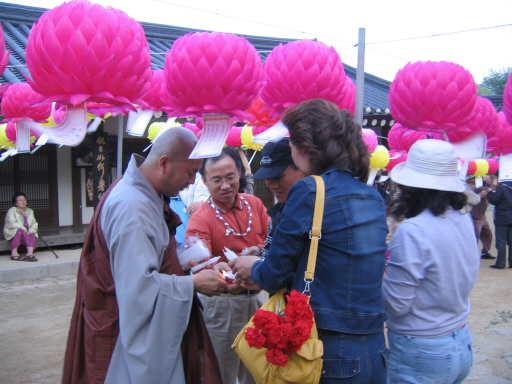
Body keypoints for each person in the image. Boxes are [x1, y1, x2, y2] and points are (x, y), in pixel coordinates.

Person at [230, 98, 389, 382]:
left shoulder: (310, 189)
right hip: (374, 346)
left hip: (327, 347)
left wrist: (252, 265)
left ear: (304, 145)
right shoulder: (372, 196)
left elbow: (272, 274)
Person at [62, 127, 226, 384]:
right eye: (191, 172)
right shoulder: (133, 207)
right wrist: (192, 283)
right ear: (164, 163)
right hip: (121, 335)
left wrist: (183, 266)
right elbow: (137, 288)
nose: (194, 181)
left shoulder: (143, 192)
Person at [382, 139, 480, 383]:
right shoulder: (461, 216)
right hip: (459, 338)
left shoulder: (413, 230)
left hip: (421, 349)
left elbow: (396, 304)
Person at [185, 147, 270, 384]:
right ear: (204, 181)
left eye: (230, 177)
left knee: (258, 370)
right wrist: (217, 271)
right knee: (220, 370)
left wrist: (261, 251)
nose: (225, 185)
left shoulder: (255, 204)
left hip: (258, 299)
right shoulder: (201, 218)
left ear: (240, 173)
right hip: (223, 305)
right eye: (217, 180)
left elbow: (273, 240)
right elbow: (199, 264)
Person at [252, 137, 305, 259]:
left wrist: (255, 268)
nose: (273, 186)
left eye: (278, 177)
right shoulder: (279, 211)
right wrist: (259, 251)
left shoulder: (313, 214)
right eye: (268, 178)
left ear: (301, 168)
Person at [3, 192, 38, 262]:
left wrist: (30, 230)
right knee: (20, 230)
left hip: (26, 233)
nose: (23, 201)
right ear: (16, 203)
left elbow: (34, 223)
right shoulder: (12, 210)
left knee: (32, 233)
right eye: (20, 200)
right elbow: (12, 223)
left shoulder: (30, 211)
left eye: (24, 200)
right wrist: (23, 229)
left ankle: (30, 254)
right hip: (13, 232)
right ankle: (14, 253)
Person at [487, 179, 512, 269]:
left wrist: (490, 192)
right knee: (511, 241)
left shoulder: (502, 188)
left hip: (502, 217)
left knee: (501, 241)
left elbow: (494, 200)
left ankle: (501, 263)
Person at [470, 175, 496, 259]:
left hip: (482, 215)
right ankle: (470, 254)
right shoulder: (480, 188)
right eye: (490, 178)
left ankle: (485, 252)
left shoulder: (486, 187)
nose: (492, 180)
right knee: (475, 236)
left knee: (487, 234)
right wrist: (495, 181)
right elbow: (489, 190)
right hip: (475, 216)